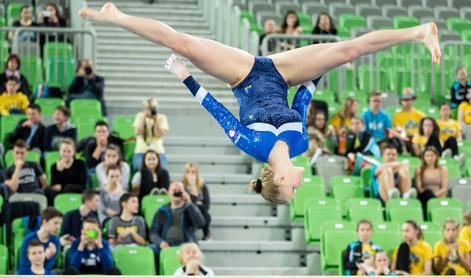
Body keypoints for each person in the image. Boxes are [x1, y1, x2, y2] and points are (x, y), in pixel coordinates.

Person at [79, 2, 441, 204]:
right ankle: (418, 32)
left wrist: (184, 76)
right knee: (346, 48)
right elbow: (303, 100)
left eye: (291, 188)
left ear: (279, 178)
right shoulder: (299, 144)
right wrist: (325, 67)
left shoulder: (254, 146)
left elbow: (218, 113)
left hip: (243, 74)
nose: (298, 185)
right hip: (284, 73)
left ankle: (117, 16)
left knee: (183, 45)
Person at [149, 181, 205, 253]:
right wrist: (161, 242)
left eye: (179, 191)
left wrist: (189, 203)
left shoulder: (189, 208)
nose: (177, 193)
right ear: (169, 193)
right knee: (151, 249)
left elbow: (201, 223)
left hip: (186, 244)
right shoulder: (161, 211)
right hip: (165, 244)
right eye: (174, 191)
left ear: (184, 193)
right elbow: (153, 233)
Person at [18, 208, 63, 273]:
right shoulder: (28, 239)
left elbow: (48, 268)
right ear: (44, 222)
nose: (58, 227)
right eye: (55, 223)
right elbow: (24, 267)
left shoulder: (55, 240)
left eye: (60, 224)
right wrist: (45, 257)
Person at [44, 139, 88, 206]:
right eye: (64, 151)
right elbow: (55, 185)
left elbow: (82, 183)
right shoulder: (54, 166)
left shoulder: (80, 164)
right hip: (61, 191)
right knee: (47, 191)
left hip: (77, 189)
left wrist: (63, 186)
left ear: (73, 152)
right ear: (59, 151)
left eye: (69, 151)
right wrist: (59, 171)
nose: (66, 154)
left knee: (68, 187)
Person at [132, 98, 169, 171]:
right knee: (139, 168)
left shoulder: (161, 118)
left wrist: (155, 120)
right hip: (141, 151)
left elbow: (159, 135)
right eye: (147, 108)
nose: (150, 111)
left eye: (152, 108)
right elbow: (138, 132)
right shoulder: (140, 116)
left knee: (162, 170)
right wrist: (143, 117)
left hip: (158, 151)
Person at [182, 163, 211, 240]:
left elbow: (207, 205)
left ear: (197, 174)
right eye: (187, 172)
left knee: (202, 209)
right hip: (186, 212)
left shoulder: (203, 186)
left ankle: (206, 234)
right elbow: (186, 203)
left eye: (193, 172)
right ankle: (206, 233)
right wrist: (194, 195)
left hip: (201, 213)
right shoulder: (182, 186)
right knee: (198, 207)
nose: (190, 174)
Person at [416, 147, 448, 216]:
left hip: (438, 195)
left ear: (436, 156)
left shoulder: (442, 170)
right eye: (427, 156)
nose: (430, 158)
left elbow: (444, 188)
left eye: (432, 155)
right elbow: (419, 188)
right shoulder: (419, 169)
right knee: (428, 192)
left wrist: (434, 195)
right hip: (424, 196)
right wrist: (431, 194)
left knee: (430, 194)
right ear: (424, 158)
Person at [393, 88, 425, 153]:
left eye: (408, 99)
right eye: (404, 100)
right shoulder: (398, 116)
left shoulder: (420, 114)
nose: (406, 102)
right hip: (404, 138)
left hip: (417, 138)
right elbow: (397, 130)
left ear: (413, 100)